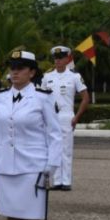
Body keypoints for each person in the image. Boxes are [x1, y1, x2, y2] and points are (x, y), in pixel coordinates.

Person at [0, 50, 61, 220]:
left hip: (32, 164)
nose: (15, 72)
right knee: (11, 215)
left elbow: (55, 134)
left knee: (30, 216)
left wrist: (51, 166)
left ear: (32, 72)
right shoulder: (0, 98)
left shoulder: (43, 97)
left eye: (20, 68)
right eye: (12, 67)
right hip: (6, 164)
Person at [41, 45, 90, 190]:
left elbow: (86, 98)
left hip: (66, 116)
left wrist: (76, 117)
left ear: (67, 58)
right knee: (52, 149)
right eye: (55, 58)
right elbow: (40, 98)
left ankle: (66, 181)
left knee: (66, 150)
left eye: (61, 58)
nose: (58, 61)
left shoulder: (74, 76)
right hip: (50, 117)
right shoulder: (47, 77)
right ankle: (56, 181)